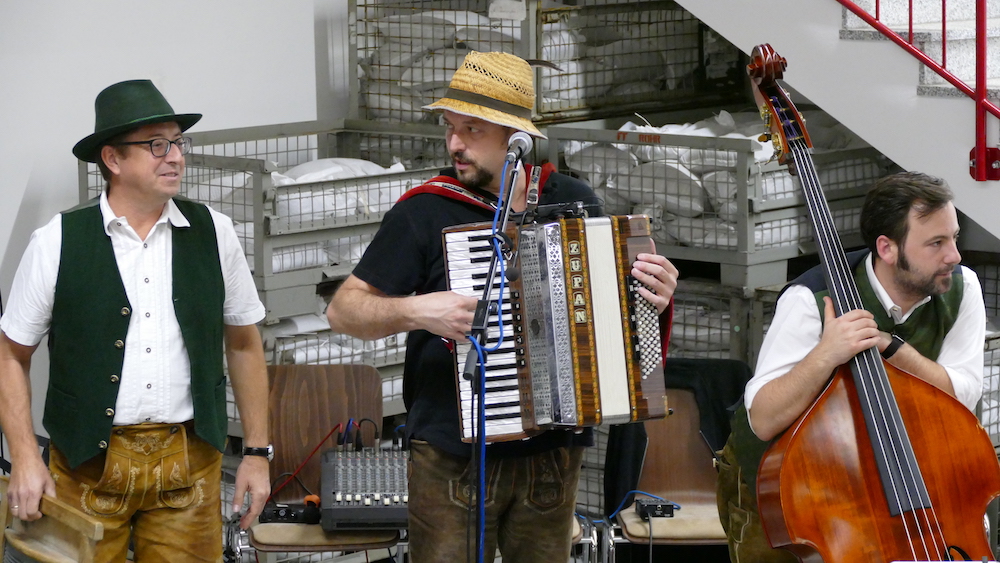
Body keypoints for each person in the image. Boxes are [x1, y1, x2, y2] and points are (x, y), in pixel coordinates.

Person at [326, 51, 678, 563]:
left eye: (472, 130)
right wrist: (420, 311)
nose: (454, 144)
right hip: (452, 455)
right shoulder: (425, 210)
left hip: (553, 453)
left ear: (517, 139)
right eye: (450, 128)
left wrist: (654, 296)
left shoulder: (574, 200)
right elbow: (344, 311)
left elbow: (610, 320)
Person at [0, 79, 272, 562]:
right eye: (156, 145)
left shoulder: (215, 232)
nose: (176, 157)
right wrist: (23, 456)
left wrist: (256, 453)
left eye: (178, 143)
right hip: (86, 466)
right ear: (113, 159)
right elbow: (10, 355)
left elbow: (244, 344)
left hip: (190, 465)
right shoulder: (57, 241)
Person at [716, 171, 986, 562]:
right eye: (936, 243)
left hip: (902, 482)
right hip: (789, 490)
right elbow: (763, 418)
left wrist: (891, 347)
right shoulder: (810, 300)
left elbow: (964, 395)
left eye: (954, 238)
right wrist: (827, 352)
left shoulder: (963, 287)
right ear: (887, 248)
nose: (954, 256)